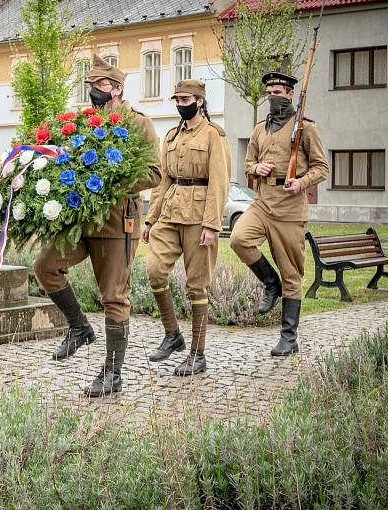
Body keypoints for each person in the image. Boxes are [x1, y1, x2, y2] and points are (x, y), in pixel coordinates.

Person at [33, 54, 162, 397]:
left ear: (118, 88)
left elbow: (155, 173)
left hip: (116, 223)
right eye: (91, 86)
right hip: (80, 220)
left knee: (114, 297)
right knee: (45, 266)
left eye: (101, 86)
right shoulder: (86, 122)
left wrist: (113, 182)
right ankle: (79, 327)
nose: (95, 92)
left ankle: (112, 373)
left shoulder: (139, 124)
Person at [230, 72, 329, 356]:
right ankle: (269, 283)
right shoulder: (260, 129)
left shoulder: (306, 130)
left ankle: (289, 337)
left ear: (289, 94)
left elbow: (322, 167)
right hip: (263, 202)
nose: (272, 95)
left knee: (292, 273)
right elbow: (248, 162)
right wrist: (255, 168)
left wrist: (300, 182)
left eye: (277, 90)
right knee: (239, 239)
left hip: (290, 208)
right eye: (269, 90)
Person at [143, 79, 231, 376]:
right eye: (177, 100)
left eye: (186, 99)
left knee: (196, 285)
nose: (181, 104)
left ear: (200, 101)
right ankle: (172, 334)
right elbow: (163, 181)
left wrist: (212, 224)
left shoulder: (213, 136)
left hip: (198, 217)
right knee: (154, 270)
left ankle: (197, 353)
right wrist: (150, 218)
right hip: (170, 212)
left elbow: (219, 182)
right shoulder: (171, 136)